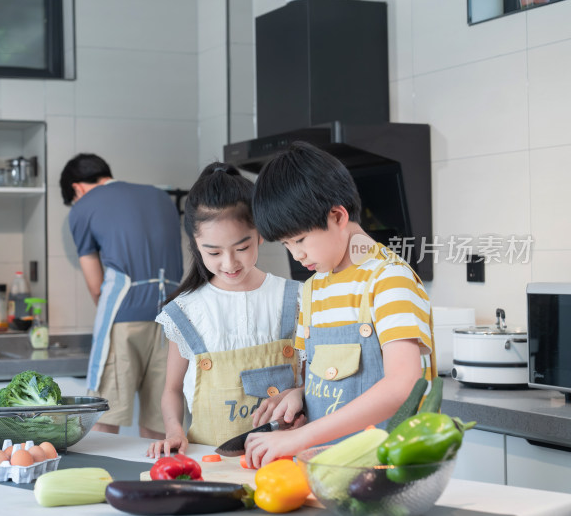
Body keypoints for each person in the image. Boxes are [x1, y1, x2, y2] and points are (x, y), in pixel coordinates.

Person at [244, 141, 436, 467]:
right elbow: (320, 380)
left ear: (337, 216)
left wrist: (299, 437)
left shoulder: (388, 280)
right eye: (288, 244)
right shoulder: (312, 290)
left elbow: (403, 387)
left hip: (389, 471)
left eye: (301, 239)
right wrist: (299, 395)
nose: (297, 254)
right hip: (328, 471)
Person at [146, 162, 301, 458]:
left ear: (260, 234)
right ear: (196, 245)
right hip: (208, 460)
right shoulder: (186, 311)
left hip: (284, 461)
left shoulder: (294, 298)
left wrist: (299, 393)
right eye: (213, 252)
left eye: (241, 248)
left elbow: (314, 378)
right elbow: (172, 389)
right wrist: (174, 431)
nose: (229, 263)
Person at [60, 153, 183, 439]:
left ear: (77, 189)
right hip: (173, 319)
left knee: (104, 416)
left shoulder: (82, 208)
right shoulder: (161, 198)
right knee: (161, 419)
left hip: (123, 317)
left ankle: (104, 481)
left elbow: (96, 286)